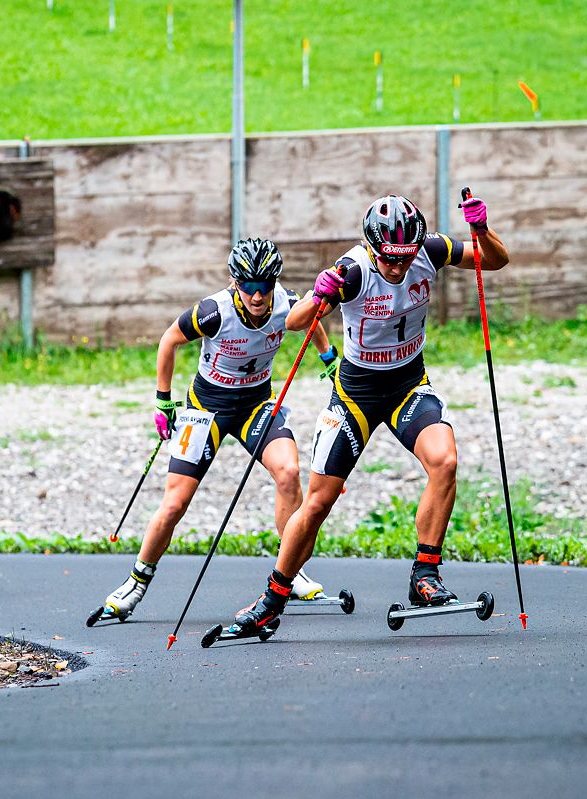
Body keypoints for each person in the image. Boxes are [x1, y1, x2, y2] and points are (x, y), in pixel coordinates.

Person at [229, 194, 510, 634]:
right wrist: (318, 292)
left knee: (446, 461)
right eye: (388, 259)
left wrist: (481, 230)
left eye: (404, 257)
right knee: (319, 501)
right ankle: (272, 598)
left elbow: (493, 261)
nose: (397, 267)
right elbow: (295, 322)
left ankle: (425, 576)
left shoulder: (430, 249)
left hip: (406, 385)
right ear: (372, 247)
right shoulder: (354, 271)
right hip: (356, 394)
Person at [95, 238, 339, 621]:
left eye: (265, 287)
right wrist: (163, 400)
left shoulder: (286, 303)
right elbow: (169, 340)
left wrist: (328, 357)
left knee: (290, 472)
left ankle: (292, 571)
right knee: (175, 502)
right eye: (248, 287)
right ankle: (135, 583)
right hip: (206, 408)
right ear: (233, 282)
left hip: (255, 405)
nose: (258, 296)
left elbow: (312, 316)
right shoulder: (213, 311)